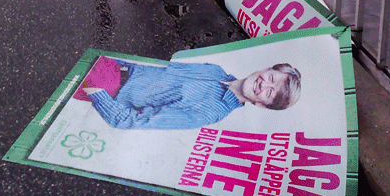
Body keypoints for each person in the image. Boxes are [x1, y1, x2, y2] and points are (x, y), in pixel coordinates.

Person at [80, 57, 301, 130]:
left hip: (104, 85)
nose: (264, 85)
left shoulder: (210, 112)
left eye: (270, 93)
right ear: (266, 69)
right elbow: (152, 69)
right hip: (109, 63)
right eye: (271, 78)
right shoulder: (215, 70)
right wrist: (108, 59)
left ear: (262, 105)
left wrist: (95, 89)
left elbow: (129, 121)